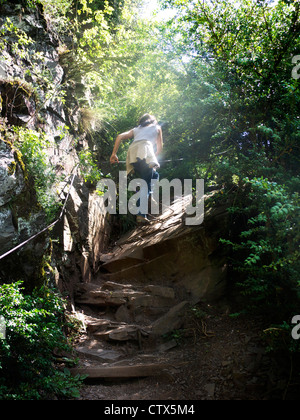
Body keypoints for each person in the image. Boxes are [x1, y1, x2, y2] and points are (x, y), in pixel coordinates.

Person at [110, 114, 163, 224]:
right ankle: (141, 214)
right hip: (146, 151)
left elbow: (119, 136)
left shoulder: (136, 129)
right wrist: (154, 157)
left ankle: (149, 194)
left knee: (154, 175)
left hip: (133, 154)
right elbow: (160, 147)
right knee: (146, 184)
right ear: (153, 121)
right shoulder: (157, 127)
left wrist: (114, 154)